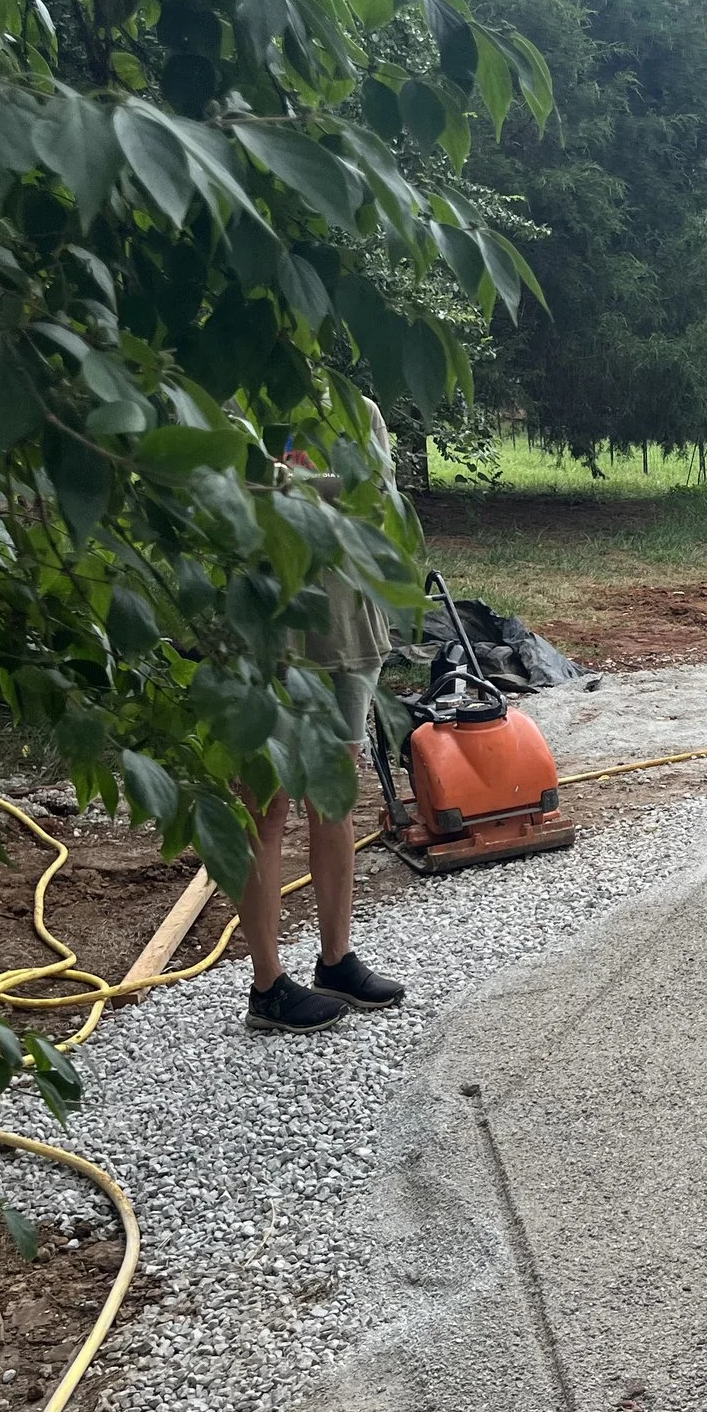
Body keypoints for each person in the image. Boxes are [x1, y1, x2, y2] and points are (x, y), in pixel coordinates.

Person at [240, 405, 409, 1034]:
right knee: (267, 808)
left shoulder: (358, 411)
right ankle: (268, 987)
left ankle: (335, 961)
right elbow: (242, 499)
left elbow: (376, 498)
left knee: (335, 799)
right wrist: (319, 492)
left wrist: (292, 487)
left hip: (349, 636)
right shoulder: (243, 408)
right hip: (270, 644)